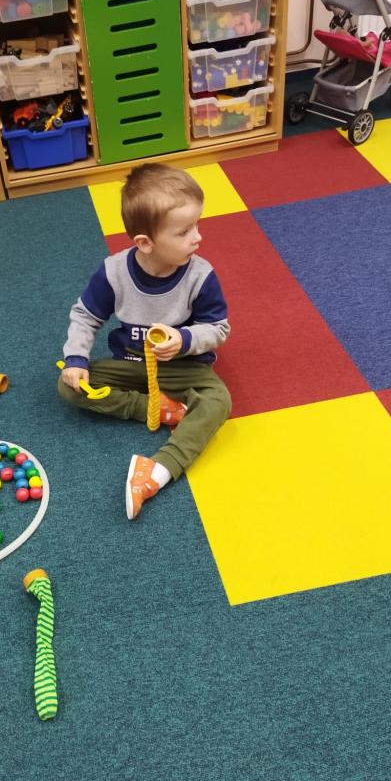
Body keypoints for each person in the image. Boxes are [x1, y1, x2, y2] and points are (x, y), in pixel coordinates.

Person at [58, 163, 231, 519]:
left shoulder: (200, 275)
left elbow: (218, 328)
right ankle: (159, 409)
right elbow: (85, 316)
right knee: (69, 386)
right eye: (183, 232)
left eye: (196, 225)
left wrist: (184, 339)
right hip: (130, 365)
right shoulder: (114, 272)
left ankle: (158, 470)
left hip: (182, 368)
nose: (197, 238)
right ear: (145, 243)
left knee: (219, 400)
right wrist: (76, 359)